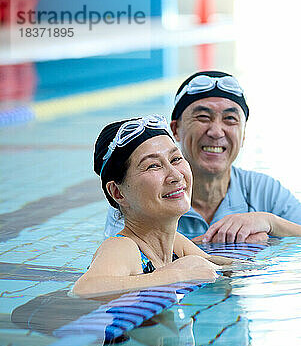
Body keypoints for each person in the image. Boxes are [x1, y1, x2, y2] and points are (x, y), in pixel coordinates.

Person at [104, 71, 301, 243]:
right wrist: (229, 246)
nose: (216, 131)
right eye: (203, 117)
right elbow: (125, 269)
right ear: (175, 130)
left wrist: (269, 222)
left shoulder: (261, 190)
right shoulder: (143, 197)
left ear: (243, 136)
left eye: (230, 120)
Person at [73, 115, 225, 296]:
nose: (176, 175)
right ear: (118, 193)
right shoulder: (123, 248)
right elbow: (84, 289)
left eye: (176, 159)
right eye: (153, 166)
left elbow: (222, 267)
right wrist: (177, 275)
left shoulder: (175, 243)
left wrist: (267, 222)